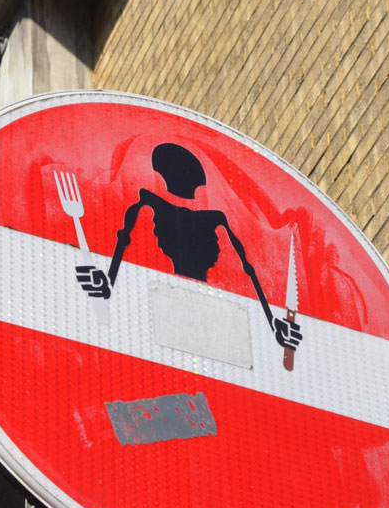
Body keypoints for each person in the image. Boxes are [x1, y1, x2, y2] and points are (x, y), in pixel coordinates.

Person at [76, 142, 302, 351]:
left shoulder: (209, 216)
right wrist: (109, 282)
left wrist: (272, 322)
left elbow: (248, 265)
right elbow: (247, 266)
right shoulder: (200, 214)